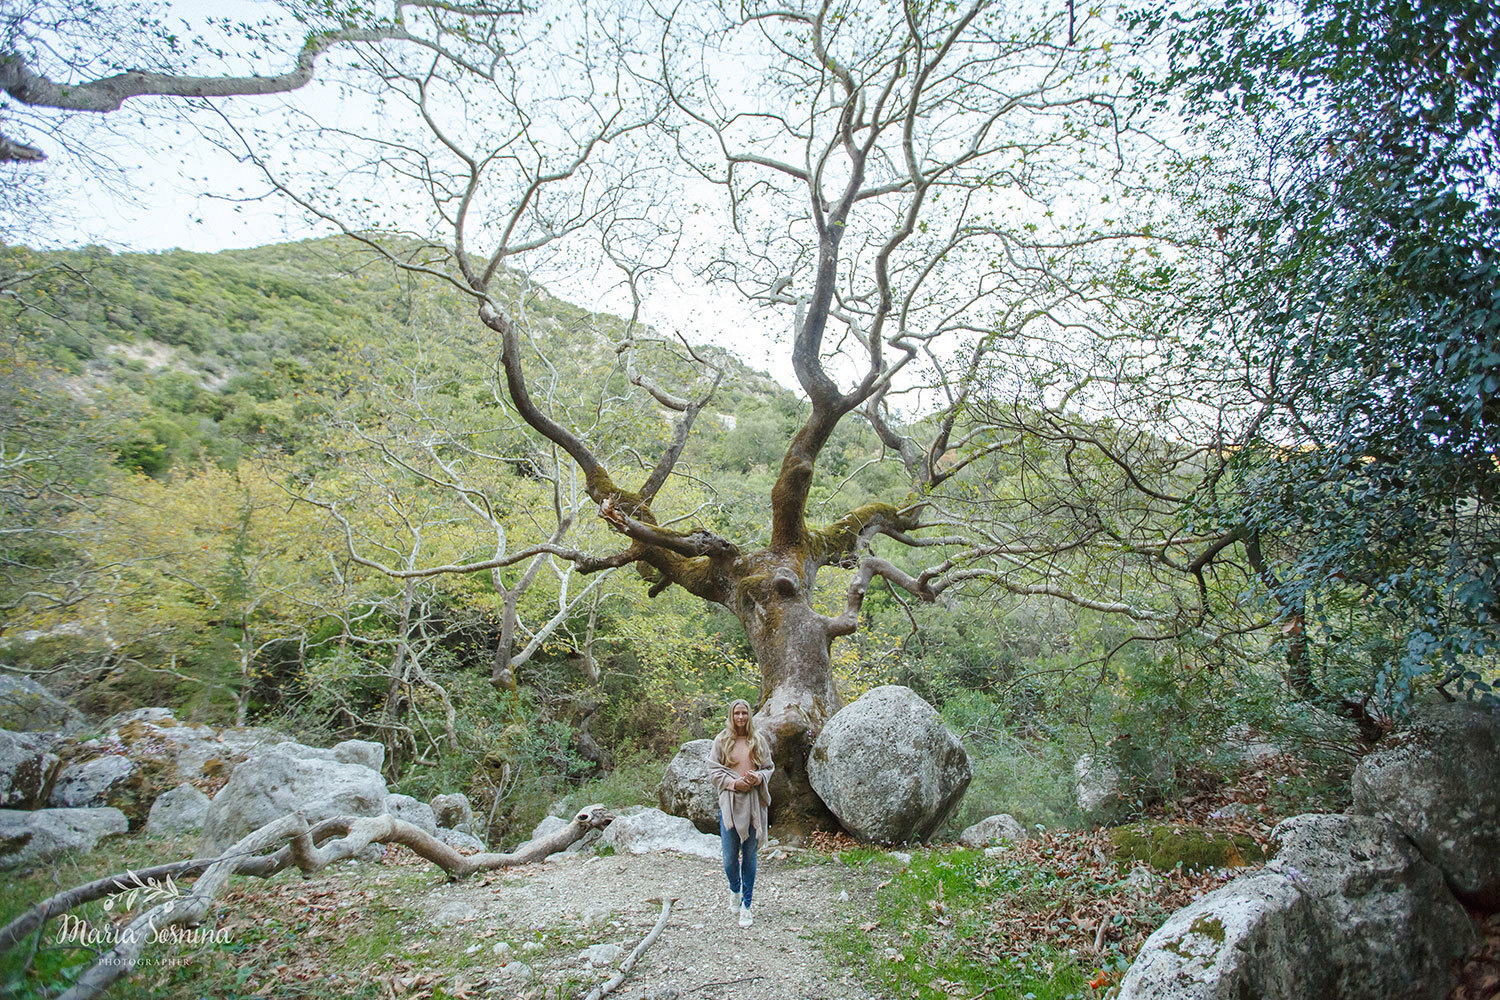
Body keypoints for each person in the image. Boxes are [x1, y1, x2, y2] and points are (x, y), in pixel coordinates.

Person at [708, 698, 773, 928]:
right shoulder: (722, 740)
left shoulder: (758, 740)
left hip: (753, 805)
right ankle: (734, 889)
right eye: (737, 713)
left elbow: (768, 767)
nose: (741, 717)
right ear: (731, 715)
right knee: (728, 859)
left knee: (750, 857)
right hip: (729, 804)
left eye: (744, 713)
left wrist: (758, 778)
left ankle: (747, 906)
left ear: (749, 715)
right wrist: (735, 784)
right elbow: (713, 770)